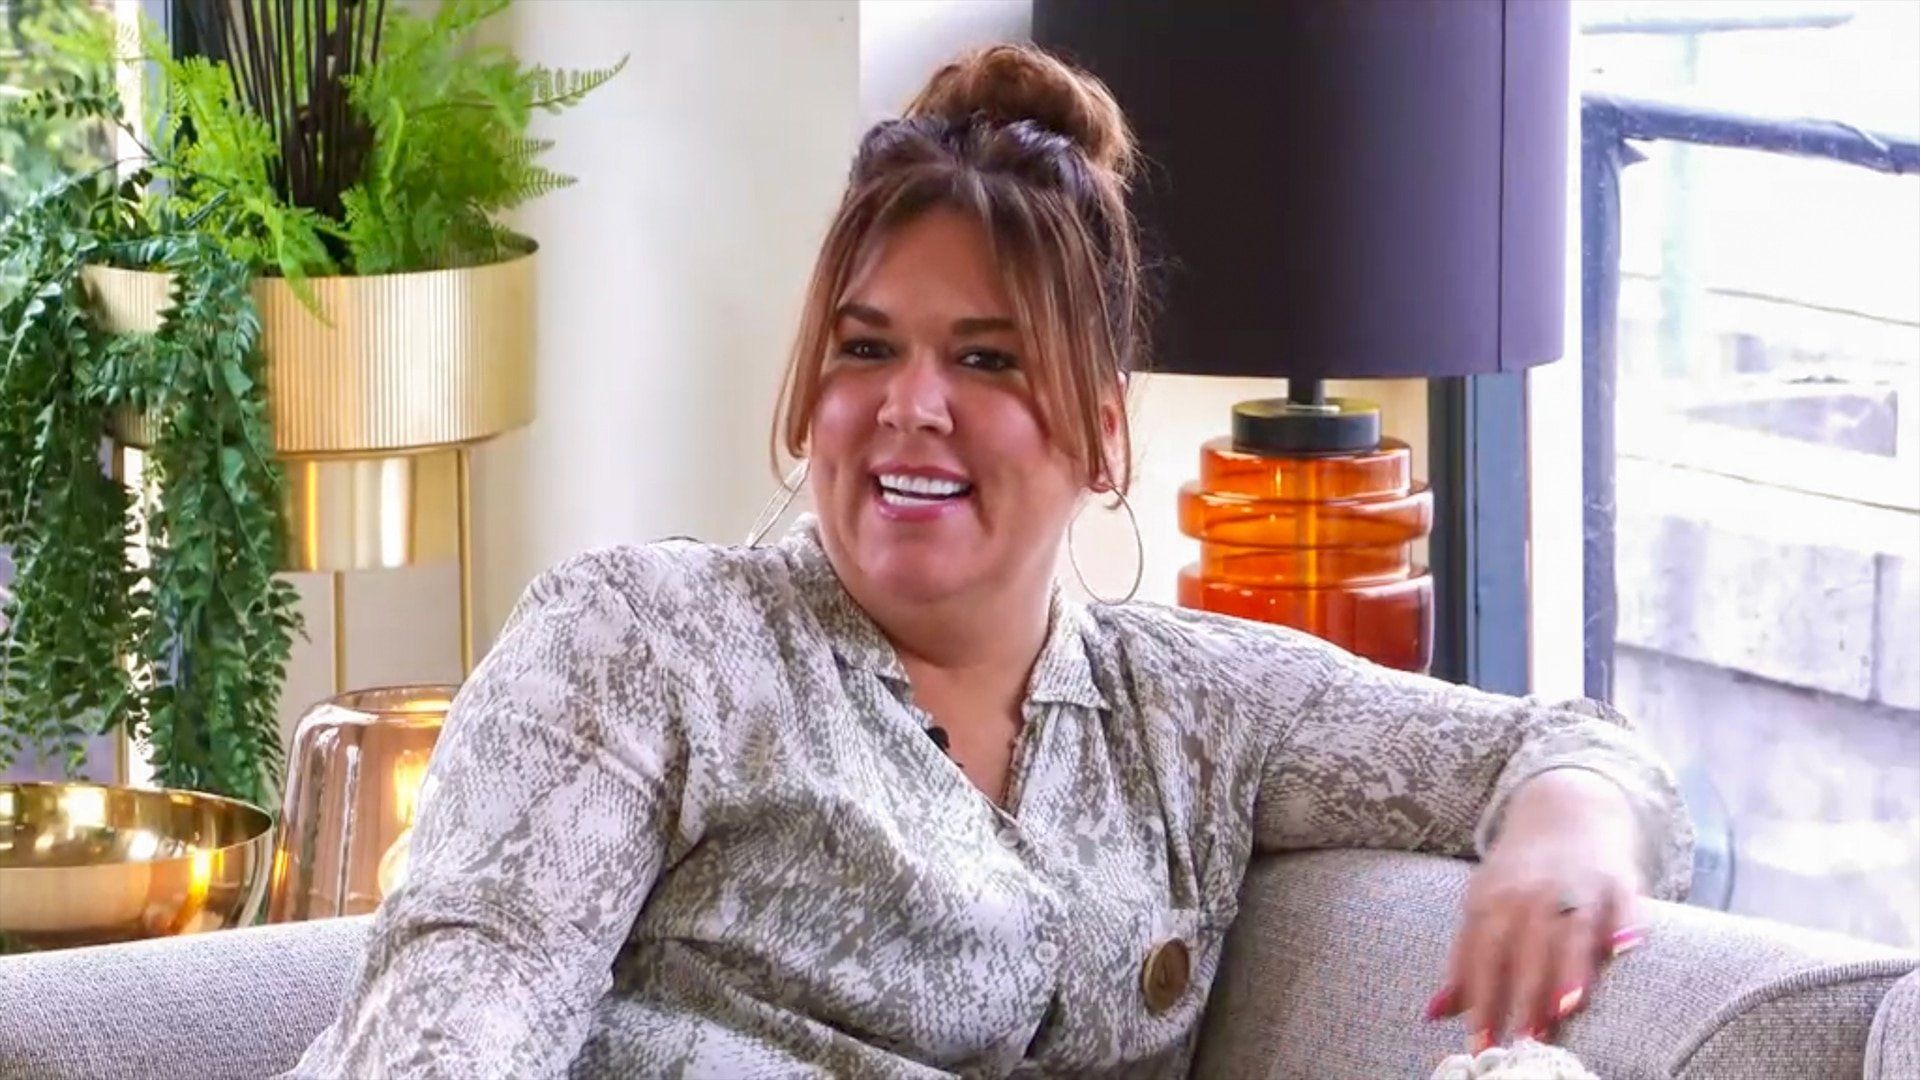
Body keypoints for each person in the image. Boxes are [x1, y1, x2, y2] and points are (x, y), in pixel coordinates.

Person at [284, 44, 1690, 1079]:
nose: (911, 404)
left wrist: (1567, 826)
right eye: (866, 348)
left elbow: (1569, 748)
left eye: (987, 360)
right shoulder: (645, 642)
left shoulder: (1193, 711)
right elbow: (467, 1007)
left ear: (1102, 430)